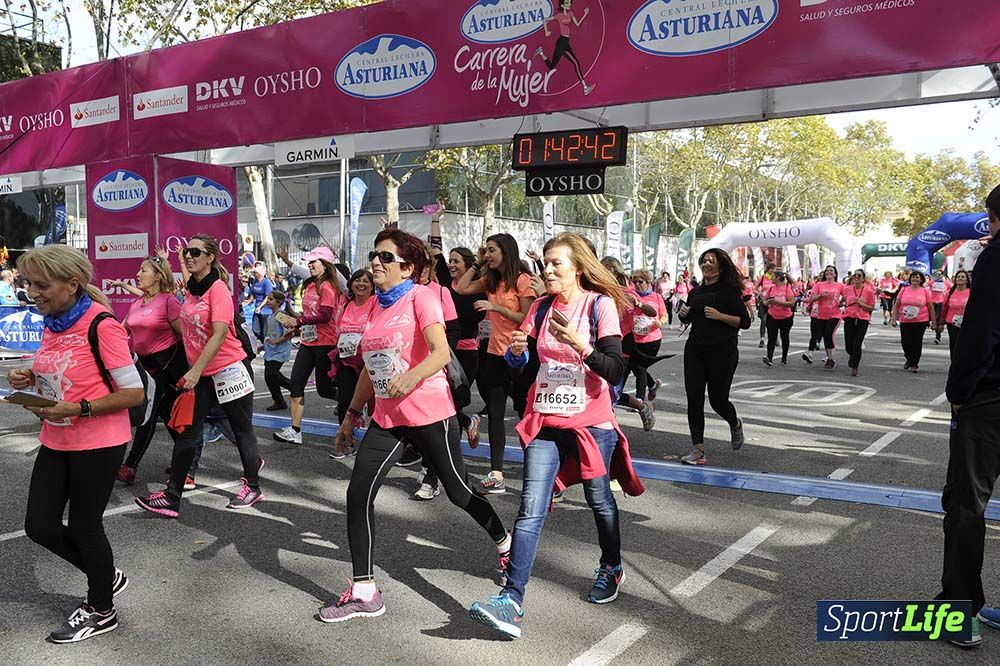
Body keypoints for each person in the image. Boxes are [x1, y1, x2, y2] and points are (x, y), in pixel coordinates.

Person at [325, 229, 510, 623]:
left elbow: (441, 351)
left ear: (408, 267)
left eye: (386, 257)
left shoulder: (421, 296)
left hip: (430, 413)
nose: (376, 262)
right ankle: (365, 591)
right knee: (358, 493)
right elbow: (368, 370)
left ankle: (504, 541)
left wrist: (411, 378)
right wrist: (351, 416)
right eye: (374, 255)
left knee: (460, 492)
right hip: (388, 419)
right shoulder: (376, 305)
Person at [467, 233, 644, 639]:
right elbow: (525, 369)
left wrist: (582, 346)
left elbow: (615, 370)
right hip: (547, 418)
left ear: (577, 268)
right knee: (531, 507)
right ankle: (512, 600)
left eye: (555, 264)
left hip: (591, 423)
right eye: (544, 263)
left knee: (599, 499)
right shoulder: (542, 308)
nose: (546, 270)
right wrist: (516, 355)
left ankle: (611, 567)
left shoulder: (600, 306)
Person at [9, 244, 144, 643]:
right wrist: (29, 377)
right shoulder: (52, 322)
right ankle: (104, 575)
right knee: (39, 525)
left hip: (99, 442)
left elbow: (134, 393)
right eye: (28, 283)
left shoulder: (101, 324)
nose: (32, 292)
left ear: (72, 284)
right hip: (57, 437)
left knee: (85, 528)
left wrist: (80, 407)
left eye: (41, 285)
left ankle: (101, 610)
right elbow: (59, 372)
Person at [135, 234, 263, 517]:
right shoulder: (193, 291)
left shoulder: (218, 290)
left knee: (241, 430)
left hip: (228, 370)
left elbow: (219, 334)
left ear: (211, 258)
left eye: (195, 252)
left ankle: (253, 486)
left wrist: (194, 370)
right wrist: (176, 261)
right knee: (188, 435)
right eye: (187, 252)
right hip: (202, 374)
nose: (190, 256)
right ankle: (172, 497)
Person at [938, 184, 1000, 648]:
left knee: (966, 504)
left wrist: (958, 391)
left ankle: (960, 613)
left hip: (989, 399)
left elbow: (982, 331)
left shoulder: (994, 258)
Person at [454, 233, 535, 494]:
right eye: (486, 250)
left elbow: (525, 317)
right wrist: (477, 264)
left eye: (491, 250)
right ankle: (496, 473)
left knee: (526, 412)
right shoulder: (490, 279)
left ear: (506, 251)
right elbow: (461, 288)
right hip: (493, 354)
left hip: (519, 354)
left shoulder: (522, 280)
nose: (487, 254)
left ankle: (537, 467)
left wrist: (496, 308)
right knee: (496, 415)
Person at [116, 253, 188, 485]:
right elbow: (120, 331)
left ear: (158, 276)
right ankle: (186, 462)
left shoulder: (169, 301)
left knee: (148, 414)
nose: (138, 274)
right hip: (143, 365)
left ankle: (130, 465)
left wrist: (193, 371)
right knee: (168, 418)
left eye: (143, 271)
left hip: (165, 366)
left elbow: (185, 337)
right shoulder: (138, 302)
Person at [677, 249, 751, 465]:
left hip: (723, 351)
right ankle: (698, 449)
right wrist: (684, 315)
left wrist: (721, 316)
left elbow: (744, 322)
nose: (707, 264)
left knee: (718, 400)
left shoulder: (729, 292)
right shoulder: (696, 292)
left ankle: (735, 423)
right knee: (694, 398)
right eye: (704, 261)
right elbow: (690, 318)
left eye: (712, 261)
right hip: (695, 350)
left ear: (721, 266)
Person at [273, 246, 342, 445]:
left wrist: (300, 321)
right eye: (309, 261)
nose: (310, 264)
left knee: (325, 390)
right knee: (296, 383)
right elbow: (309, 315)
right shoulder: (310, 285)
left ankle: (349, 402)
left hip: (325, 344)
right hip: (308, 342)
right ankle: (295, 430)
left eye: (314, 261)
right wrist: (294, 321)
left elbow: (325, 315)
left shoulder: (328, 286)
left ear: (326, 264)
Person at [535, 0, 595, 95]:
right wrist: (546, 31)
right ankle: (585, 87)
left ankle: (541, 52)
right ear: (562, 5)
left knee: (551, 66)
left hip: (564, 42)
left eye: (570, 2)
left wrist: (585, 14)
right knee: (575, 63)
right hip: (562, 43)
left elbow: (578, 24)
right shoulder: (559, 16)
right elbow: (544, 20)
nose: (569, 4)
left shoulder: (571, 13)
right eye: (567, 3)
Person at [625, 269, 667, 400]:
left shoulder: (656, 297)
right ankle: (652, 385)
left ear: (648, 282)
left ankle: (639, 399)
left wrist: (660, 322)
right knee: (636, 367)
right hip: (634, 338)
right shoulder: (630, 295)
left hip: (652, 339)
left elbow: (664, 314)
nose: (637, 284)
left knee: (640, 367)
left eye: (640, 281)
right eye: (634, 281)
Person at [891, 270, 932, 373]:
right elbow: (897, 305)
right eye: (913, 277)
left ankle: (914, 364)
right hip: (905, 320)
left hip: (921, 320)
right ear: (910, 279)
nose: (915, 279)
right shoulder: (904, 289)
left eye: (917, 277)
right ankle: (909, 358)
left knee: (917, 342)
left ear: (921, 280)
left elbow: (930, 307)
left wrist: (934, 322)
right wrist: (894, 319)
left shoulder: (925, 291)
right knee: (906, 342)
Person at [805, 266, 845, 369]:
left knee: (829, 333)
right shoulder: (819, 285)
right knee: (825, 336)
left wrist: (841, 303)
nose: (829, 272)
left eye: (831, 271)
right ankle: (829, 358)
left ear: (835, 274)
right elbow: (812, 298)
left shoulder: (840, 285)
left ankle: (831, 359)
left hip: (835, 314)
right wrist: (820, 296)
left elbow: (846, 296)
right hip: (821, 315)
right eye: (827, 271)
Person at [263, 290, 295, 411]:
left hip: (280, 351)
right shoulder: (270, 316)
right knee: (270, 376)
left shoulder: (280, 315)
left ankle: (293, 387)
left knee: (271, 374)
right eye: (268, 299)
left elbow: (292, 331)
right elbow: (270, 333)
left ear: (279, 302)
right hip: (270, 350)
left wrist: (278, 341)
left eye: (271, 299)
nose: (268, 301)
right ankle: (279, 401)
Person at [842, 269, 877, 377]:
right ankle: (853, 356)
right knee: (848, 344)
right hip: (849, 317)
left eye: (859, 275)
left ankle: (855, 366)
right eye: (855, 275)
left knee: (857, 343)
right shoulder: (847, 289)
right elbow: (844, 300)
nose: (856, 277)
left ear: (863, 278)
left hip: (863, 319)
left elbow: (871, 307)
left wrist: (861, 304)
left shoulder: (869, 291)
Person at [762, 271, 795, 366]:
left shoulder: (787, 289)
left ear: (777, 278)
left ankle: (784, 358)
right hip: (772, 316)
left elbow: (792, 303)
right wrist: (768, 302)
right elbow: (764, 301)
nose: (771, 278)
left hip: (786, 317)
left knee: (784, 337)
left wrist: (778, 302)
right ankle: (769, 357)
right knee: (771, 337)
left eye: (773, 276)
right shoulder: (771, 288)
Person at [938, 269, 971, 361]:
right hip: (952, 323)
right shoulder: (950, 293)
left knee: (965, 345)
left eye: (963, 277)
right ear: (955, 279)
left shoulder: (971, 292)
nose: (960, 278)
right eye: (958, 277)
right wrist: (941, 323)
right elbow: (944, 309)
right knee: (954, 344)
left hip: (967, 324)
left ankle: (964, 364)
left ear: (967, 280)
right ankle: (955, 364)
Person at [754, 262, 775, 349]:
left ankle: (774, 337)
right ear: (768, 269)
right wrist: (759, 293)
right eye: (771, 268)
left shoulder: (775, 278)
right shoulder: (762, 277)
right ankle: (762, 339)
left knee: (773, 322)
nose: (772, 270)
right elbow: (754, 289)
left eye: (774, 269)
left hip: (773, 302)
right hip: (763, 302)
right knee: (763, 320)